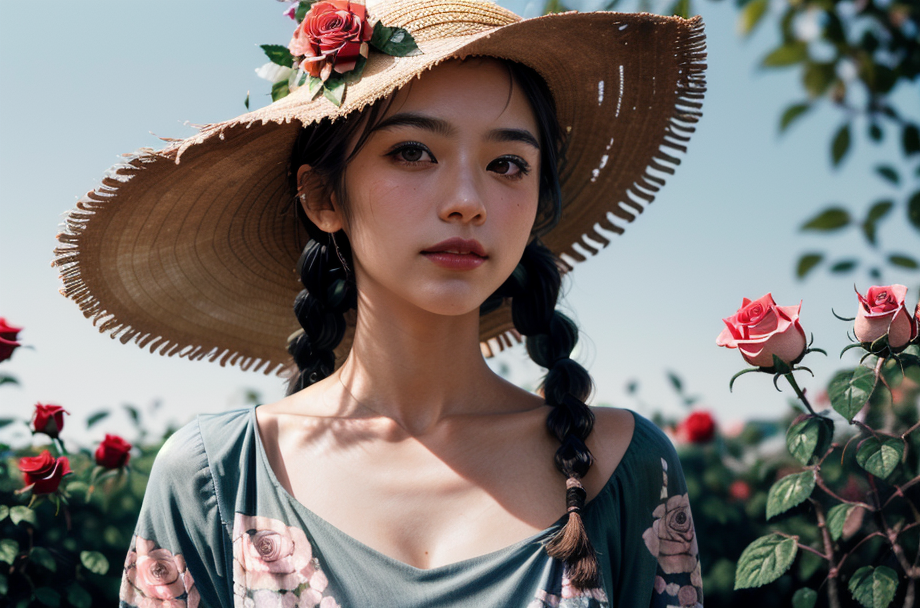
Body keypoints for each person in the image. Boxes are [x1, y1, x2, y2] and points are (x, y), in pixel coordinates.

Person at [53, 1, 707, 606]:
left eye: (508, 163)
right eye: (413, 152)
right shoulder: (215, 476)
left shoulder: (626, 467)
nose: (467, 200)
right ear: (324, 199)